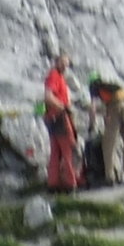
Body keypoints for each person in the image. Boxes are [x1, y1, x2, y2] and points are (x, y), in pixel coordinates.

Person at [42, 52, 79, 193]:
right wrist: (64, 107)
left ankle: (53, 183)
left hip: (52, 118)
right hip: (60, 117)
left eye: (67, 63)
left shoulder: (58, 77)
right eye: (62, 62)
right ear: (56, 62)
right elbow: (48, 96)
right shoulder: (54, 76)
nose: (65, 66)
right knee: (68, 149)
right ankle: (70, 184)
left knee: (55, 151)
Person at [90, 75, 124, 185]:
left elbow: (93, 109)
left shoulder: (96, 88)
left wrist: (91, 126)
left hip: (116, 104)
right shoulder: (110, 85)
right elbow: (107, 107)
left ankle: (110, 177)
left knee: (108, 143)